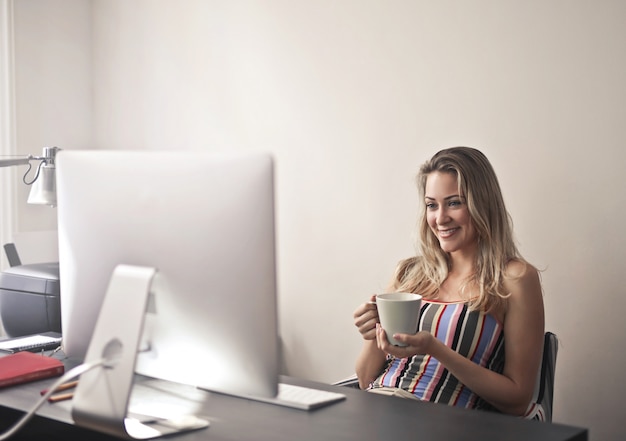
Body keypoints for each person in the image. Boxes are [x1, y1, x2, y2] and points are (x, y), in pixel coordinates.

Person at [353, 146, 545, 419]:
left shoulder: (514, 279)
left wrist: (435, 350)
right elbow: (364, 379)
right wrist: (373, 334)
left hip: (444, 424)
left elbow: (517, 399)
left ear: (482, 204)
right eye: (432, 205)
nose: (440, 218)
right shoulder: (410, 272)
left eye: (454, 202)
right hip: (376, 410)